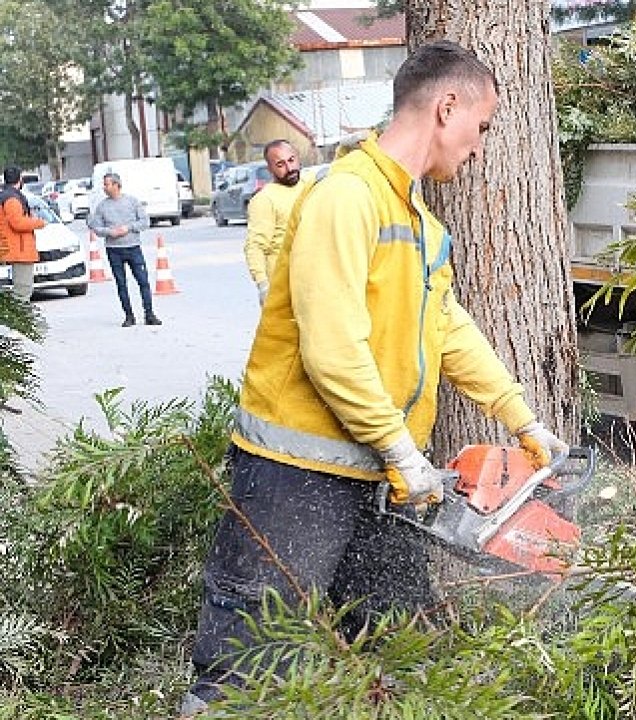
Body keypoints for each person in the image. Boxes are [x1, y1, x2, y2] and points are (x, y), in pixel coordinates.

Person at [179, 40, 569, 716]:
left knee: (403, 645)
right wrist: (400, 450)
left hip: (378, 474)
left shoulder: (419, 223)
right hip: (292, 473)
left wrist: (521, 419)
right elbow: (331, 346)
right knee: (252, 659)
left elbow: (448, 328)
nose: (479, 147)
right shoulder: (346, 198)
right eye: (481, 127)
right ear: (447, 107)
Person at [87, 173, 161, 327]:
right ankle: (129, 315)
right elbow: (95, 227)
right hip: (114, 250)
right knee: (121, 283)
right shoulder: (102, 206)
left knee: (143, 281)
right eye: (104, 184)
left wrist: (129, 228)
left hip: (133, 247)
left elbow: (144, 222)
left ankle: (149, 313)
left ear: (116, 185)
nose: (104, 187)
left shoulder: (132, 202)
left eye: (107, 184)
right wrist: (109, 232)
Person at [244, 139, 305, 305]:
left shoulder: (309, 187)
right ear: (270, 169)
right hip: (283, 287)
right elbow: (255, 246)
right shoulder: (264, 199)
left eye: (291, 160)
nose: (289, 168)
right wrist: (263, 285)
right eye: (280, 164)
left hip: (312, 282)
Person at [0, 166, 46, 302]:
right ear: (20, 180)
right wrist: (39, 223)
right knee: (23, 291)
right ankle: (20, 322)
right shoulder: (12, 199)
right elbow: (17, 223)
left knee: (21, 290)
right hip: (19, 250)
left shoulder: (6, 196)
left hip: (14, 249)